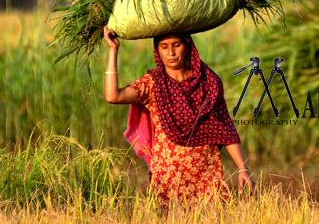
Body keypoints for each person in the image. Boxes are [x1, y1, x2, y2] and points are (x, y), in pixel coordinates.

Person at [102, 25, 255, 205]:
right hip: (167, 180)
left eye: (176, 45)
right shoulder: (154, 84)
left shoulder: (209, 82)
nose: (171, 52)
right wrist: (113, 50)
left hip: (206, 175)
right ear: (157, 50)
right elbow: (113, 96)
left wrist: (243, 169)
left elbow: (225, 129)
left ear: (188, 46)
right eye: (164, 47)